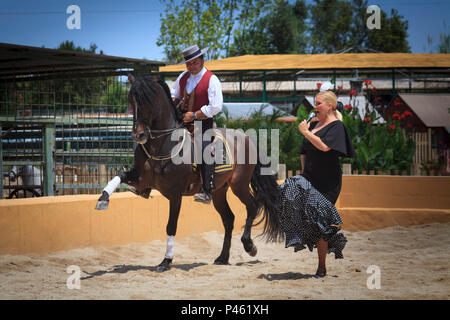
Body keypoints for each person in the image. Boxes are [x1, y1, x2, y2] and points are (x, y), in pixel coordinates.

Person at [277, 90, 356, 278]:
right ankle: (300, 235)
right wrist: (304, 172)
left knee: (321, 223)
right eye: (315, 103)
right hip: (309, 178)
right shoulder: (314, 125)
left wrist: (305, 131)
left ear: (330, 106)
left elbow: (324, 147)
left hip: (328, 181)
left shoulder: (336, 127)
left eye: (319, 103)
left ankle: (321, 266)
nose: (315, 106)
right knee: (286, 191)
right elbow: (303, 150)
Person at [171, 45, 223, 204]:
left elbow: (216, 107)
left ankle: (207, 191)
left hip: (203, 122)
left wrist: (193, 115)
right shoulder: (182, 77)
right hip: (182, 120)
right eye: (188, 64)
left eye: (194, 63)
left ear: (202, 61)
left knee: (204, 147)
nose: (191, 67)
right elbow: (175, 95)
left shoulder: (212, 79)